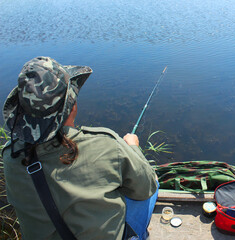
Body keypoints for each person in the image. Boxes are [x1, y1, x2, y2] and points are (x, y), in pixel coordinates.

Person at [1, 56, 159, 240]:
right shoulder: (106, 145)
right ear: (72, 106)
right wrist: (133, 148)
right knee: (151, 180)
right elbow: (145, 188)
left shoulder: (10, 155)